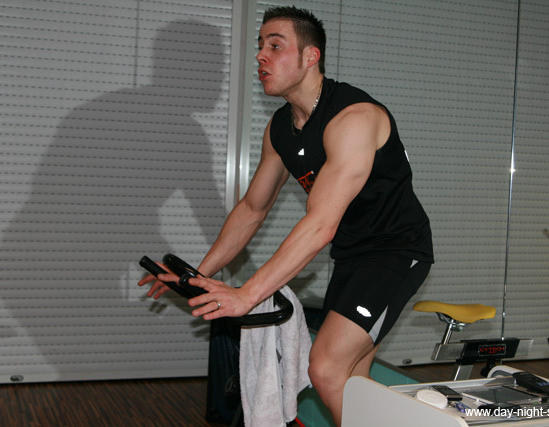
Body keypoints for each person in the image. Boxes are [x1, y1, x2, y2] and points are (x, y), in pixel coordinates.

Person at [139, 6, 433, 425]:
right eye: (260, 45)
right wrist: (197, 275)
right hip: (351, 256)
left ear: (310, 56)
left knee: (326, 370)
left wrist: (247, 295)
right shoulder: (280, 128)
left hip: (396, 251)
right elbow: (251, 209)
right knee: (353, 382)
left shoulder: (353, 119)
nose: (261, 55)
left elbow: (321, 223)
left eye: (275, 46)